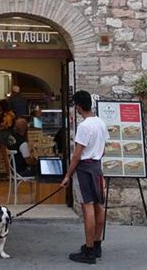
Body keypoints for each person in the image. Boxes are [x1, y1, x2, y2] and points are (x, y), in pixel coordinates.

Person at [60, 90, 109, 264]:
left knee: (87, 207)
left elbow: (77, 155)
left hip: (85, 168)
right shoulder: (101, 123)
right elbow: (104, 149)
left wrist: (68, 175)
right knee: (98, 206)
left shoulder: (84, 126)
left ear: (79, 107)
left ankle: (88, 250)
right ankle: (96, 244)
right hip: (97, 167)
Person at [0, 99, 16, 179]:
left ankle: (9, 174)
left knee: (5, 155)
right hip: (12, 134)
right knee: (12, 155)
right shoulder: (12, 114)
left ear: (1, 107)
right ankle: (14, 173)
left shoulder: (3, 115)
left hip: (4, 135)